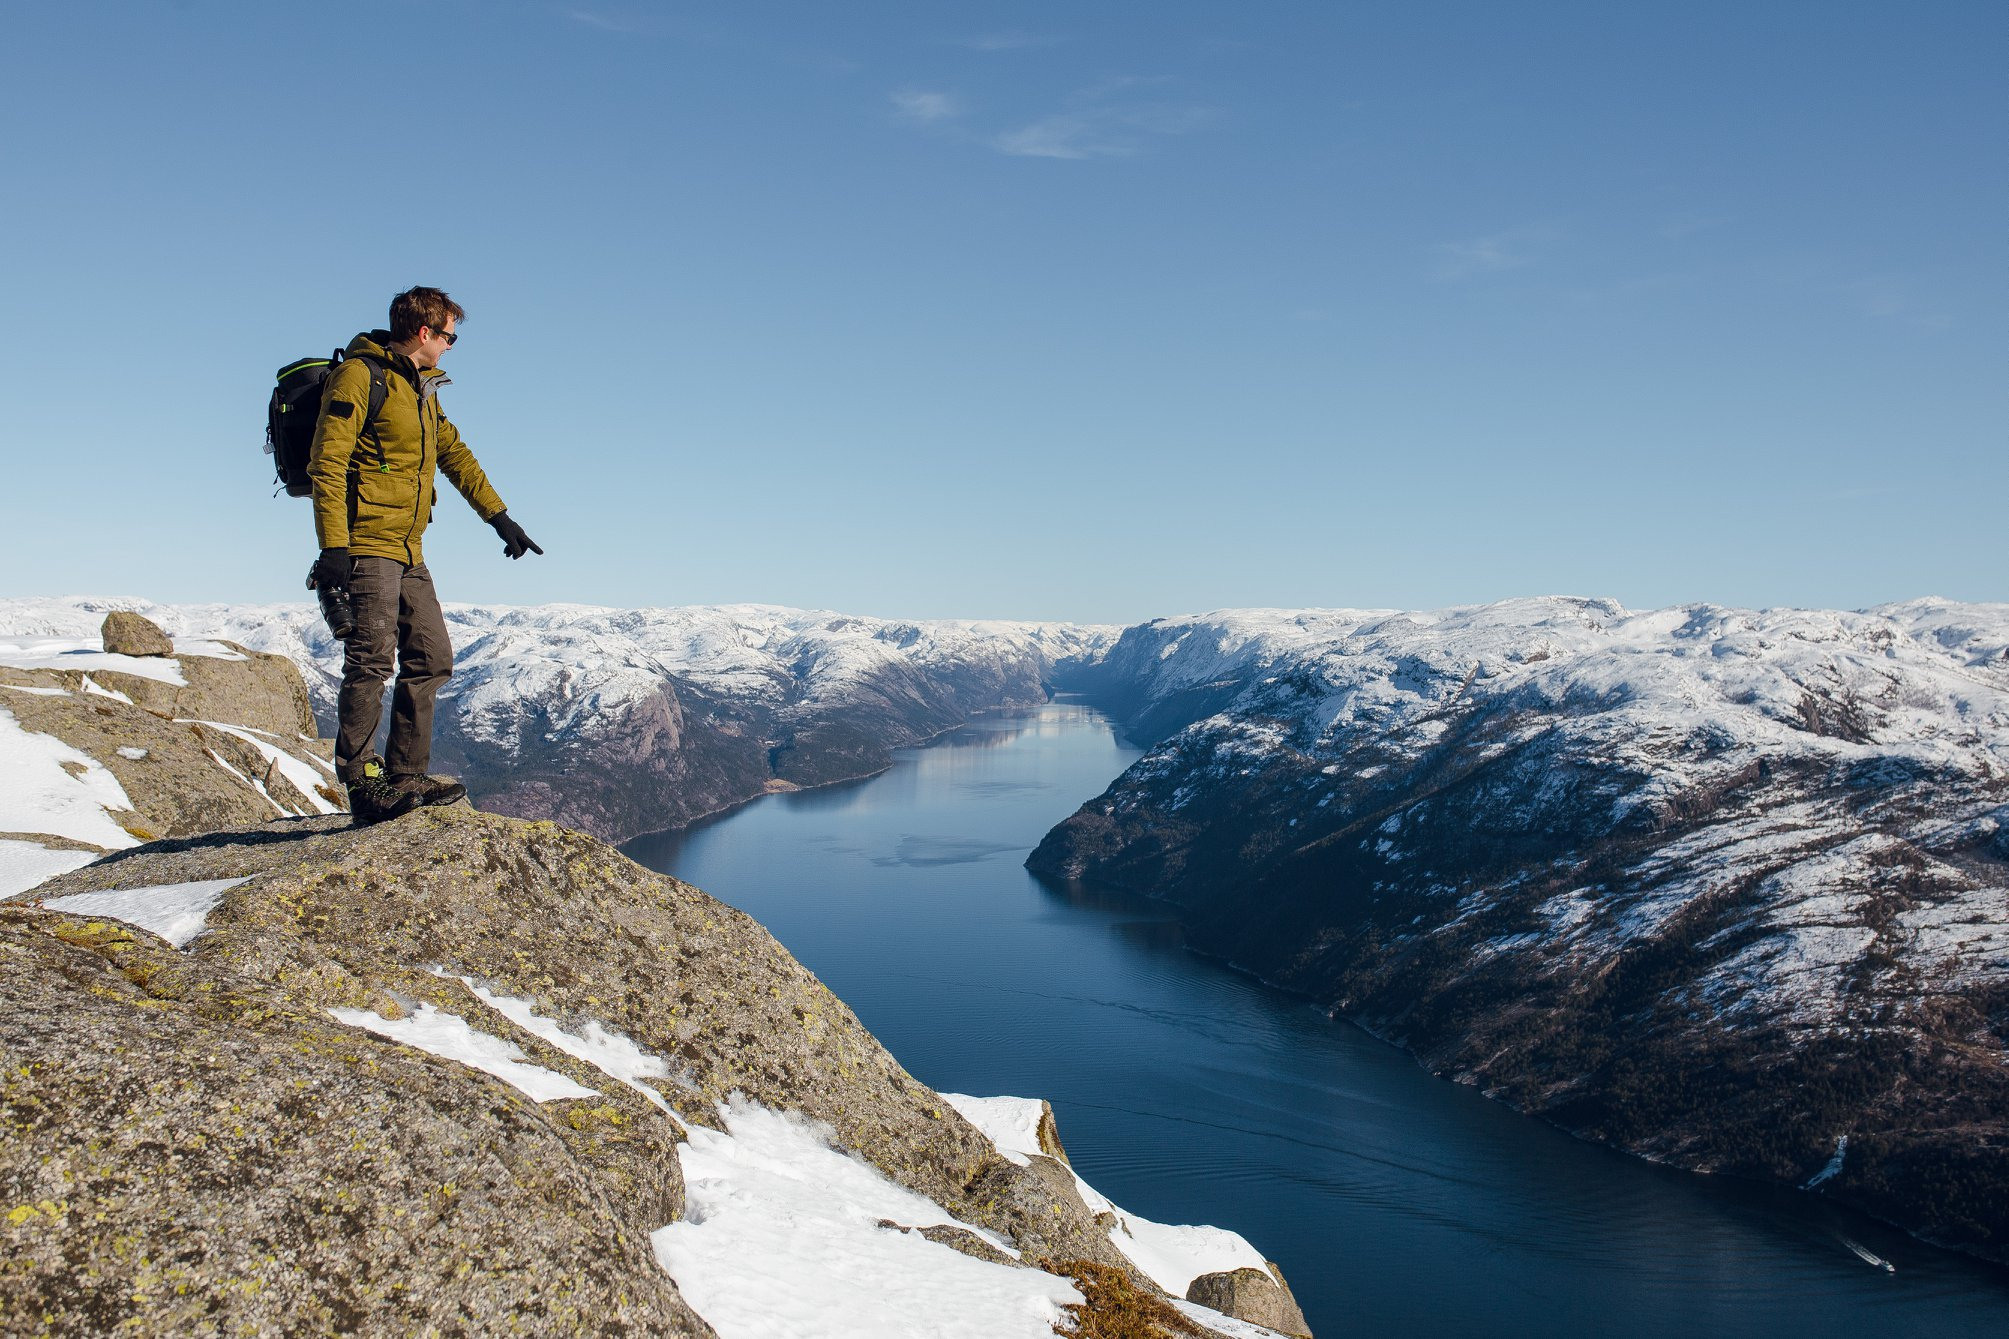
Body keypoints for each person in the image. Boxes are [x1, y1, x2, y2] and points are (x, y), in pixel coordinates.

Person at [307, 286, 543, 825]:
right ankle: (363, 779)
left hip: (409, 547)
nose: (452, 346)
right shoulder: (360, 377)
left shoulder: (421, 390)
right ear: (425, 333)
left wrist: (499, 518)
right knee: (370, 660)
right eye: (450, 336)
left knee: (432, 657)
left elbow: (454, 453)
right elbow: (328, 463)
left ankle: (406, 773)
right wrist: (334, 548)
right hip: (366, 542)